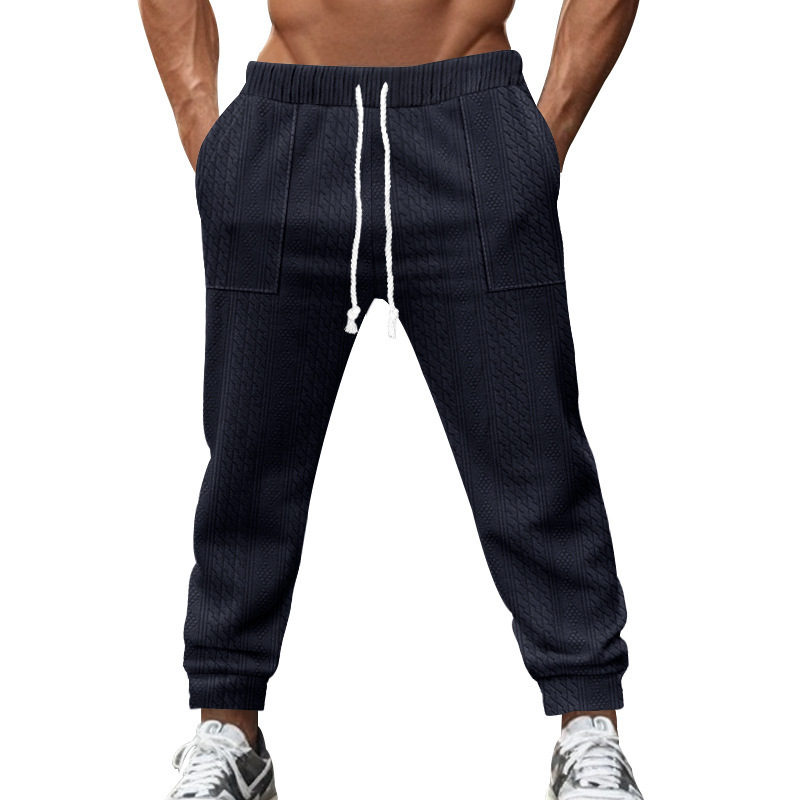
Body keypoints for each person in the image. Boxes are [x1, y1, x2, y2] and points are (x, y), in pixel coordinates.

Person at [139, 0, 642, 797]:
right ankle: (228, 733)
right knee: (248, 456)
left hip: (471, 117)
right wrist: (208, 134)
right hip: (288, 127)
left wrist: (540, 140)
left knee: (533, 446)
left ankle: (588, 730)